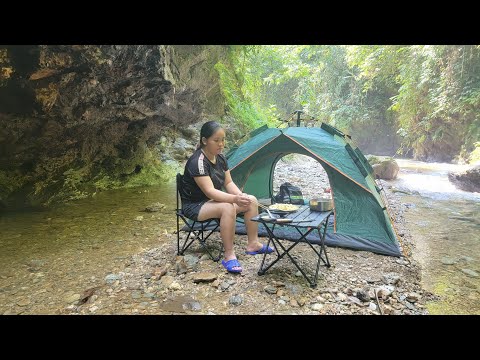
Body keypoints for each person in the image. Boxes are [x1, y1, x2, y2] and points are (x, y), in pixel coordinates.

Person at [180, 121, 273, 273]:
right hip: (195, 205)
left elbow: (228, 182)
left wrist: (240, 195)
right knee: (227, 207)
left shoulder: (221, 158)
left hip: (212, 202)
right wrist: (234, 199)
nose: (221, 144)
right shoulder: (198, 162)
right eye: (216, 140)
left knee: (251, 200)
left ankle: (253, 244)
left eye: (223, 140)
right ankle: (229, 256)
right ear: (204, 141)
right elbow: (210, 191)